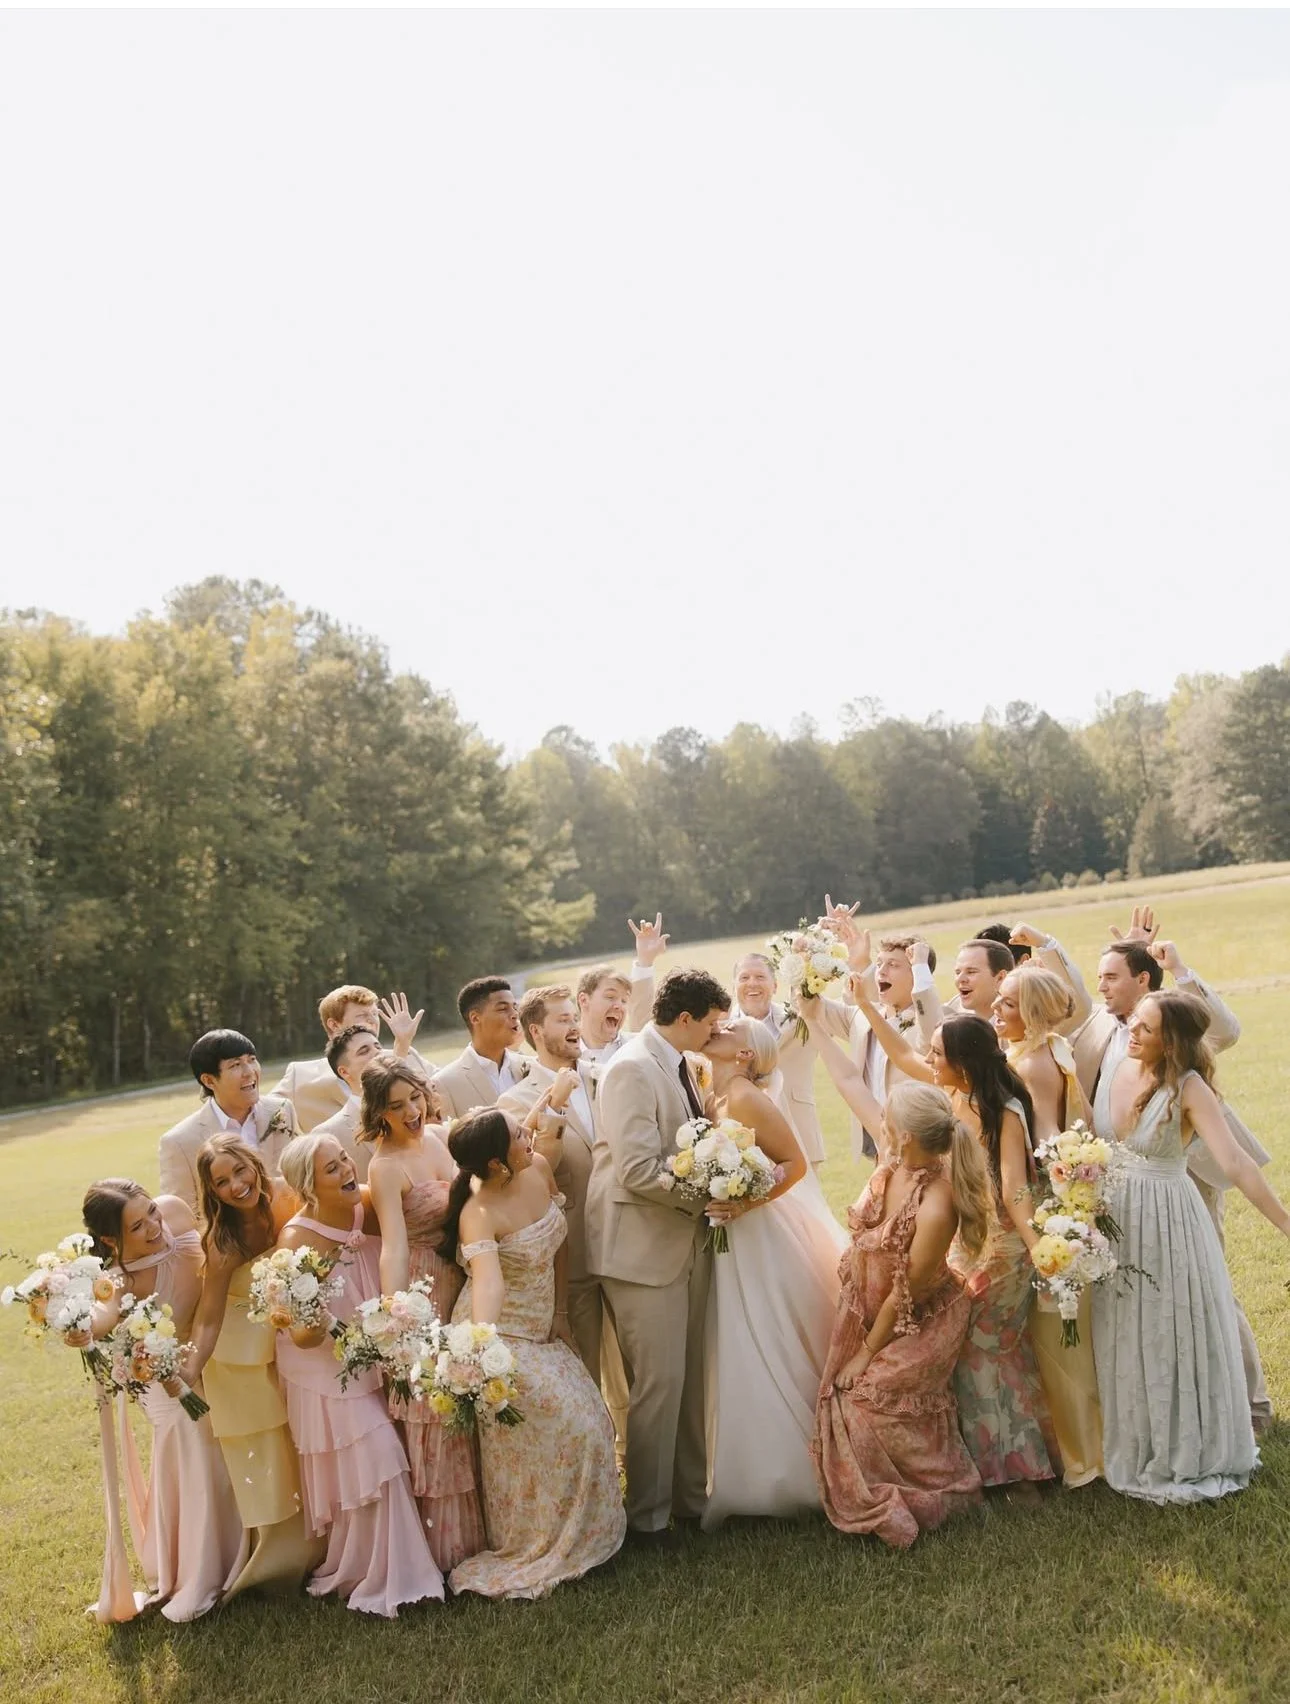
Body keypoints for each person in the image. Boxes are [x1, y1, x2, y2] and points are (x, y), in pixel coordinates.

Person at [814, 985, 1057, 1491]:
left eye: (937, 1053)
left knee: (991, 1352)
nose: (927, 1058)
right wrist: (863, 1006)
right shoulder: (949, 1095)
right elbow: (901, 1054)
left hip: (1002, 1247)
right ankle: (979, 1459)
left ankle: (1019, 1470)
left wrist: (1039, 1248)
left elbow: (1014, 1190)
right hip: (964, 1239)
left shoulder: (1003, 1110)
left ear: (961, 1064)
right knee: (965, 1353)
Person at [1091, 992, 1290, 1502]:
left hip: (1169, 1219)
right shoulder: (1117, 1063)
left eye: (1146, 1028)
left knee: (1170, 1327)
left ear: (1172, 1042)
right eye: (1134, 1022)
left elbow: (1237, 1164)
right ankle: (1137, 1441)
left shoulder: (1190, 1087)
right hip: (1116, 1220)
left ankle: (1187, 1447)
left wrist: (1287, 1225)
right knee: (1126, 1329)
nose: (1132, 1032)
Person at [1076, 921, 1272, 1430]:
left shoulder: (1184, 1057)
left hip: (1181, 1179)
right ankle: (1146, 1417)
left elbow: (1223, 1032)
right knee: (1134, 1310)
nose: (1102, 986)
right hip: (1120, 1197)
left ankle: (1249, 1406)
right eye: (1099, 976)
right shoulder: (1103, 1031)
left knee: (1202, 1293)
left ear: (1144, 981)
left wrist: (1177, 969)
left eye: (1112, 976)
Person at [441, 1109, 625, 1598]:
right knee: (571, 1428)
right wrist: (482, 1347)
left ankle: (592, 1531)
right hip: (504, 1339)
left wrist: (561, 1313)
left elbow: (559, 1244)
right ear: (497, 1164)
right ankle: (538, 1540)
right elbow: (488, 1284)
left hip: (546, 1324)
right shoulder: (477, 1214)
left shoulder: (538, 1167)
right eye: (519, 1135)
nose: (531, 1134)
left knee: (593, 1421)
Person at [812, 1082, 990, 1547]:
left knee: (863, 1399)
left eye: (890, 1120)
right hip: (869, 1309)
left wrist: (864, 1354)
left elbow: (906, 1293)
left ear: (905, 1135)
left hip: (918, 1319)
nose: (882, 1124)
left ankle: (931, 1490)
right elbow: (858, 1096)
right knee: (836, 1396)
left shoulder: (937, 1203)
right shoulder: (897, 1162)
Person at [273, 1133, 444, 1616]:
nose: (348, 1168)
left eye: (344, 1158)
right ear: (309, 1187)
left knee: (394, 1452)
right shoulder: (296, 1241)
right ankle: (388, 1575)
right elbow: (302, 1335)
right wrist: (340, 1329)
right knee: (377, 1457)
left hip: (373, 1359)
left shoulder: (363, 1205)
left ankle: (390, 1562)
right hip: (322, 1371)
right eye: (332, 1168)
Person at [586, 967, 732, 1536]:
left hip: (684, 1242)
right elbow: (638, 1169)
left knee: (690, 1378)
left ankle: (690, 1502)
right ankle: (647, 1517)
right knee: (658, 1383)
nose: (718, 1034)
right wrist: (714, 1193)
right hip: (640, 1250)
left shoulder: (677, 1064)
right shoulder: (629, 1070)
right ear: (686, 1019)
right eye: (712, 1025)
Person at [698, 1017, 846, 1528]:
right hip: (728, 1233)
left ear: (745, 1055)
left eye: (732, 1027)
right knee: (735, 1337)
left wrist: (745, 1202)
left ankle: (788, 1471)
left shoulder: (743, 1097)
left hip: (756, 1230)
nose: (721, 1026)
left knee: (764, 1331)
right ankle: (743, 1465)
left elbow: (795, 1163)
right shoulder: (711, 1092)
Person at [80, 1180, 246, 1620]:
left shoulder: (175, 1210)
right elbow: (103, 1317)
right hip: (164, 1380)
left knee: (230, 1452)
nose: (155, 1226)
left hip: (216, 1357)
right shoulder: (116, 1280)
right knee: (193, 1454)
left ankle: (250, 1551)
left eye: (151, 1211)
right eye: (138, 1225)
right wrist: (81, 1328)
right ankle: (200, 1567)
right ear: (111, 1240)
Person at [362, 1057, 485, 1574]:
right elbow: (391, 1246)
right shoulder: (384, 1166)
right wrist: (398, 1315)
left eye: (414, 1097)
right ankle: (447, 1550)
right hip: (423, 1284)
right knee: (436, 1408)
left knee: (474, 1388)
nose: (412, 1111)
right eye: (397, 1106)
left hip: (464, 1276)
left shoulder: (438, 1137)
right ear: (379, 1114)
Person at [187, 1136, 325, 1595]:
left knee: (308, 1436)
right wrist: (189, 1371)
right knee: (270, 1456)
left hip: (290, 1335)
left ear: (254, 1163)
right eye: (221, 1183)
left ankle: (329, 1543)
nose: (236, 1186)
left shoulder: (290, 1194)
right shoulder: (222, 1241)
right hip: (238, 1356)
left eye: (239, 1172)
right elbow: (208, 1318)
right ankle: (279, 1564)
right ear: (212, 1193)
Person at [991, 968, 1101, 1489]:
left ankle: (1081, 1454)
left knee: (1059, 1333)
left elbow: (1049, 1136)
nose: (997, 1010)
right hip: (1060, 1197)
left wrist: (1055, 1219)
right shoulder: (1055, 1047)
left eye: (1008, 1004)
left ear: (1032, 1012)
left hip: (1044, 1203)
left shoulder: (1033, 1062)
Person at [729, 950, 855, 1169]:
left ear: (775, 985)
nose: (752, 984)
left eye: (760, 977)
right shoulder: (718, 1029)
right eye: (744, 978)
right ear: (734, 986)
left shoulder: (801, 1017)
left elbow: (848, 1017)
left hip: (800, 1136)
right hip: (740, 1144)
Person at [158, 1029, 298, 1210]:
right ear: (209, 1081)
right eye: (235, 1065)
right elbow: (183, 1215)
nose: (249, 1072)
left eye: (252, 1060)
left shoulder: (282, 1109)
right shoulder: (179, 1142)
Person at [270, 986, 430, 1132]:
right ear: (333, 1025)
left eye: (375, 1014)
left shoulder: (407, 1054)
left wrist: (401, 1047)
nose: (372, 1021)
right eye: (362, 1015)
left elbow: (444, 1091)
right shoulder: (299, 1077)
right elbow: (260, 1113)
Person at [840, 927, 939, 1161]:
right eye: (879, 963)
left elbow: (932, 1021)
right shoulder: (863, 1015)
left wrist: (921, 967)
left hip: (919, 1144)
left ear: (915, 974)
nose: (881, 971)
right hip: (879, 1145)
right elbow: (814, 1010)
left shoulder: (932, 1020)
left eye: (893, 965)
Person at [310, 1022, 417, 1184]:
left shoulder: (416, 1105)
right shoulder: (328, 1133)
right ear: (344, 1072)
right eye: (364, 1051)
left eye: (377, 1047)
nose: (377, 1054)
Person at [576, 912, 670, 1062]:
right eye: (610, 997)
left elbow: (642, 1017)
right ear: (584, 1000)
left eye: (624, 1001)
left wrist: (645, 961)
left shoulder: (635, 1048)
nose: (619, 1006)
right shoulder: (562, 1054)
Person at [432, 978, 531, 1120]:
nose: (515, 1014)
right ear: (475, 1018)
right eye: (503, 1009)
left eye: (514, 1007)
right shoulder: (445, 1083)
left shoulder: (532, 1066)